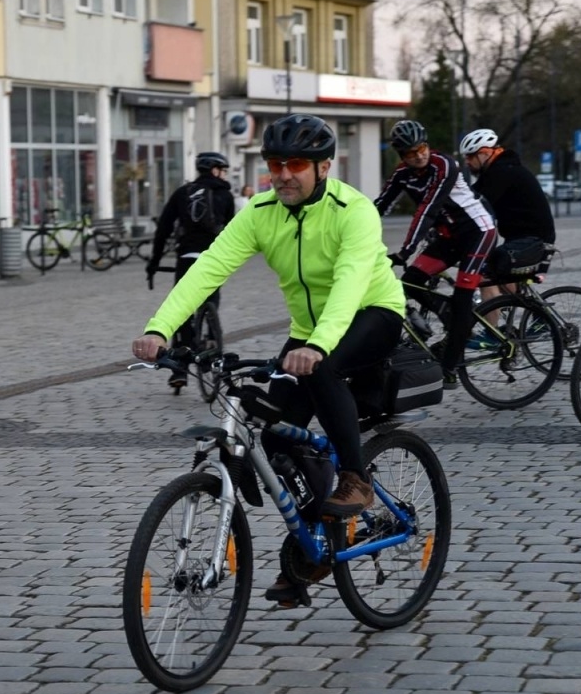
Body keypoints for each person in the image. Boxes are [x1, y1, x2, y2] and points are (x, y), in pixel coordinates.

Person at [131, 115, 405, 595]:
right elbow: (209, 269)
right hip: (309, 332)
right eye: (275, 165)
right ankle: (315, 546)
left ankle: (356, 479)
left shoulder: (354, 211)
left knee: (324, 370)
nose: (282, 175)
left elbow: (349, 283)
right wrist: (160, 328)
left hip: (371, 313)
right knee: (276, 436)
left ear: (323, 167)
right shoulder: (261, 212)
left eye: (295, 165)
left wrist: (318, 345)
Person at [375, 119, 497, 384]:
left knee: (462, 297)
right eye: (411, 153)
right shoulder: (402, 174)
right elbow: (379, 207)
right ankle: (449, 312)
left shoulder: (444, 165)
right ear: (401, 155)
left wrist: (406, 251)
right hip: (448, 237)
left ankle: (449, 368)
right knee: (410, 281)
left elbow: (428, 209)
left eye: (422, 148)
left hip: (477, 231)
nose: (419, 156)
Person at [145, 151, 238, 387]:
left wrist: (154, 261)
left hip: (187, 256)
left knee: (183, 307)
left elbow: (163, 229)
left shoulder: (182, 193)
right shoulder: (225, 195)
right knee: (211, 299)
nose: (224, 175)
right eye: (223, 171)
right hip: (216, 258)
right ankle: (211, 341)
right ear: (215, 171)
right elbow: (233, 230)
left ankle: (180, 369)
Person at [459, 127, 556, 299]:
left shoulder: (503, 172)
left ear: (484, 153)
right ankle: (525, 305)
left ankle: (499, 314)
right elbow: (468, 196)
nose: (466, 162)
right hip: (522, 239)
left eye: (470, 156)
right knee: (498, 274)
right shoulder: (498, 170)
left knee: (483, 274)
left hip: (533, 241)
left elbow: (477, 203)